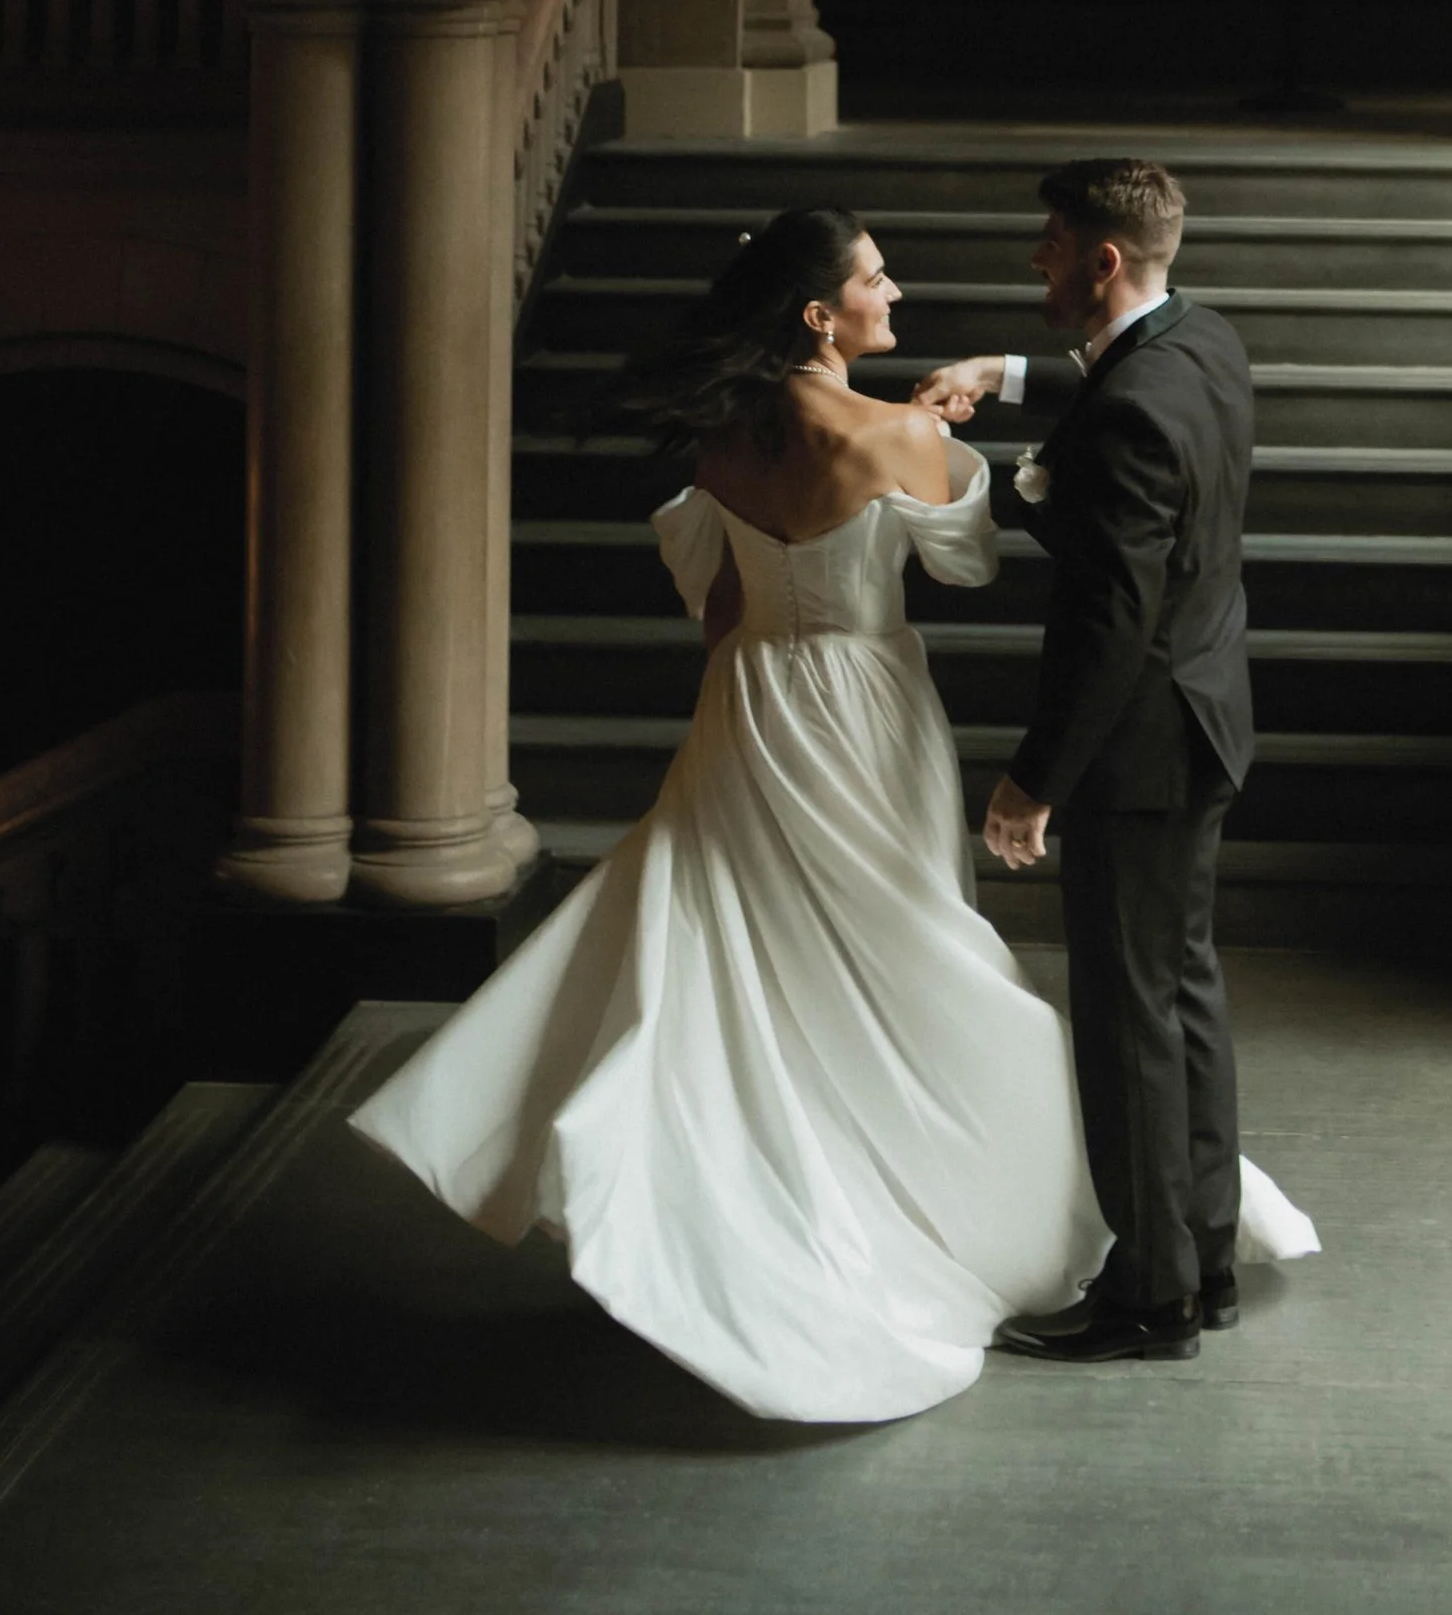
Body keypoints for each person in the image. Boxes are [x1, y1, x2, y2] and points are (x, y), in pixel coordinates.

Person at [348, 203, 1310, 1422]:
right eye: (875, 279)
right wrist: (941, 440)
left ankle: (759, 1195)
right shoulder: (887, 434)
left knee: (754, 958)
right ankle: (1017, 1213)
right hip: (864, 706)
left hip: (748, 703)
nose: (895, 292)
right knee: (898, 949)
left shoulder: (719, 433)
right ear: (822, 315)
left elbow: (715, 605)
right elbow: (973, 558)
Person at [924, 156, 1271, 1367]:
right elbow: (1123, 385)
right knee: (1182, 998)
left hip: (1136, 747)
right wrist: (1004, 371)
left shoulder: (1126, 413)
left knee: (1128, 1024)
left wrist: (1033, 781)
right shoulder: (1205, 342)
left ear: (1102, 260)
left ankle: (1148, 1298)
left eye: (1051, 243)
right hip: (1209, 716)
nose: (1037, 261)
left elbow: (1107, 623)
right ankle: (1204, 1258)